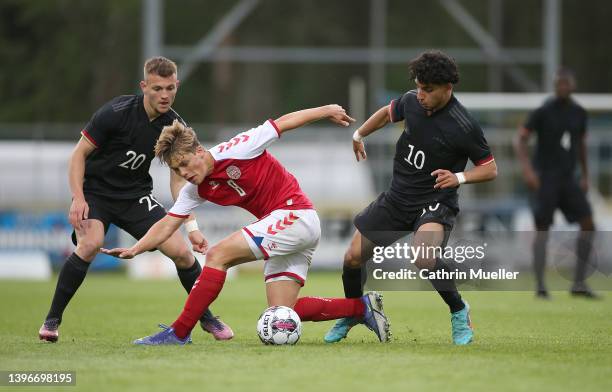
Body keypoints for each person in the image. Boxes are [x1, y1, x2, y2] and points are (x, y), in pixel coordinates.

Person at [101, 104, 391, 345]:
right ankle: (362, 307)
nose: (184, 173)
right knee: (282, 312)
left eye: (186, 163)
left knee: (216, 256)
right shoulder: (195, 189)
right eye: (177, 169)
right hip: (289, 225)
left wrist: (326, 110)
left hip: (294, 215)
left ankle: (178, 333)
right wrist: (135, 249)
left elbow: (283, 123)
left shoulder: (237, 148)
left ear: (200, 151)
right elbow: (167, 224)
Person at [38, 56, 233, 343]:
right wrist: (77, 199)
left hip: (135, 197)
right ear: (144, 86)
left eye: (170, 88)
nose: (164, 95)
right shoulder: (115, 112)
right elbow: (78, 154)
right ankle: (52, 320)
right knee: (90, 244)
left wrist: (191, 228)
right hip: (97, 193)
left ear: (177, 85)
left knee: (181, 253)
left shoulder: (175, 126)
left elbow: (181, 178)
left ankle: (207, 319)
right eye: (157, 88)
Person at [324, 50, 497, 345]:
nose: (420, 95)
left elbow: (490, 168)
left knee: (424, 257)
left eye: (427, 90)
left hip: (435, 202)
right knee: (352, 257)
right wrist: (358, 135)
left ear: (447, 88)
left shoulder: (464, 125)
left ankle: (458, 310)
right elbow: (387, 113)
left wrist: (459, 177)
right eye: (418, 86)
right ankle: (354, 311)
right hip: (397, 197)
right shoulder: (411, 101)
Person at [515, 68, 598, 299]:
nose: (562, 87)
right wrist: (528, 171)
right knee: (543, 228)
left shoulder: (579, 113)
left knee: (588, 223)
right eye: (559, 83)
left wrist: (585, 174)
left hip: (568, 177)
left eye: (566, 83)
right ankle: (540, 285)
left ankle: (579, 283)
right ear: (555, 86)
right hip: (545, 178)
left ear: (572, 85)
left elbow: (580, 144)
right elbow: (520, 140)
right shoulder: (542, 111)